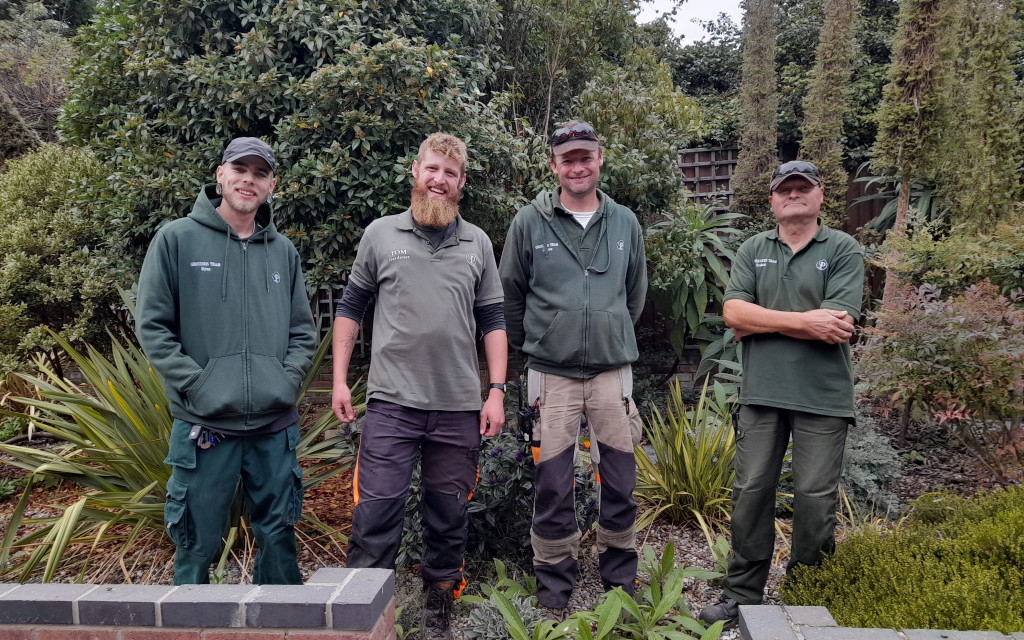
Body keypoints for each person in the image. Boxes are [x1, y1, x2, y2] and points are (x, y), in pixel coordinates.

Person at [331, 133, 507, 640]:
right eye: (433, 168)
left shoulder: (478, 243)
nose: (439, 179)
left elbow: (492, 318)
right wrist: (340, 381)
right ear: (416, 171)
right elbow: (351, 309)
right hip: (391, 405)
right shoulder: (381, 235)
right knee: (376, 513)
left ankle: (437, 610)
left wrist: (495, 390)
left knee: (448, 515)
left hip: (457, 407)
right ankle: (364, 614)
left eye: (450, 173)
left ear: (461, 182)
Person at [136, 137, 318, 585]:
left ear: (271, 184)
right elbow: (153, 328)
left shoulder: (284, 252)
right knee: (196, 542)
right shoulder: (176, 239)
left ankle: (282, 631)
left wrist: (287, 380)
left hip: (274, 428)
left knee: (278, 537)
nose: (248, 180)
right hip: (205, 428)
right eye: (240, 170)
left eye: (259, 173)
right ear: (221, 175)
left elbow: (302, 331)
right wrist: (199, 386)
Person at [698, 160, 865, 627]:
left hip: (824, 397)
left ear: (820, 195)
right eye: (784, 189)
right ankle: (741, 593)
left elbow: (838, 325)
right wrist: (803, 321)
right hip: (761, 394)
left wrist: (763, 320)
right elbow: (733, 313)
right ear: (772, 199)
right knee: (751, 492)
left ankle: (808, 594)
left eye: (802, 188)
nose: (793, 195)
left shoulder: (844, 248)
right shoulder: (754, 248)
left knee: (814, 497)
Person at [499, 120, 648, 615]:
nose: (578, 166)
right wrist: (538, 344)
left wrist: (609, 332)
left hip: (611, 374)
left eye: (586, 157)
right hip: (551, 375)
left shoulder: (624, 221)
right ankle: (555, 584)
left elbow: (635, 294)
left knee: (621, 479)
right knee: (554, 483)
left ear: (599, 159)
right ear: (554, 166)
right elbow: (510, 295)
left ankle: (619, 578)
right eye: (568, 159)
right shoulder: (529, 222)